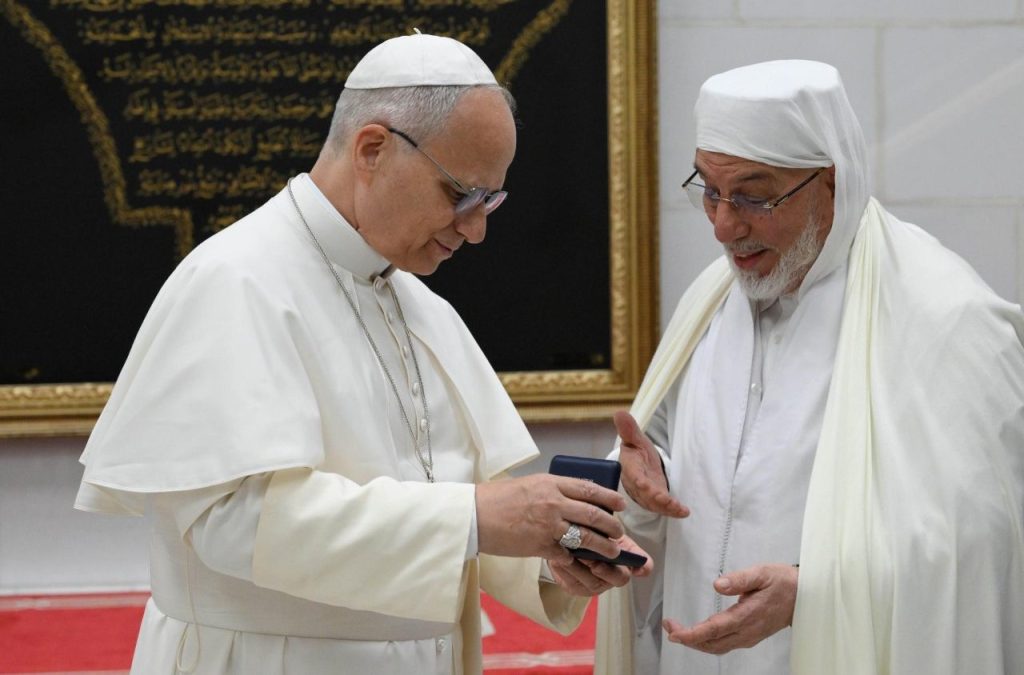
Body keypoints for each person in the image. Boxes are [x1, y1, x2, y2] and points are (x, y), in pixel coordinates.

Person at [75, 33, 650, 675]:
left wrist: (557, 544)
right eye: (460, 194)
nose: (476, 229)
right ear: (373, 149)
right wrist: (475, 518)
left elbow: (451, 503)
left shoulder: (416, 302)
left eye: (491, 200)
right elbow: (229, 521)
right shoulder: (234, 281)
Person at [595, 59, 1024, 675]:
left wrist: (815, 591)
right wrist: (645, 477)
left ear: (831, 182)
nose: (723, 226)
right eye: (709, 191)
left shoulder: (946, 316)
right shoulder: (712, 300)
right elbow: (675, 462)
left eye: (753, 196)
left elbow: (985, 545)